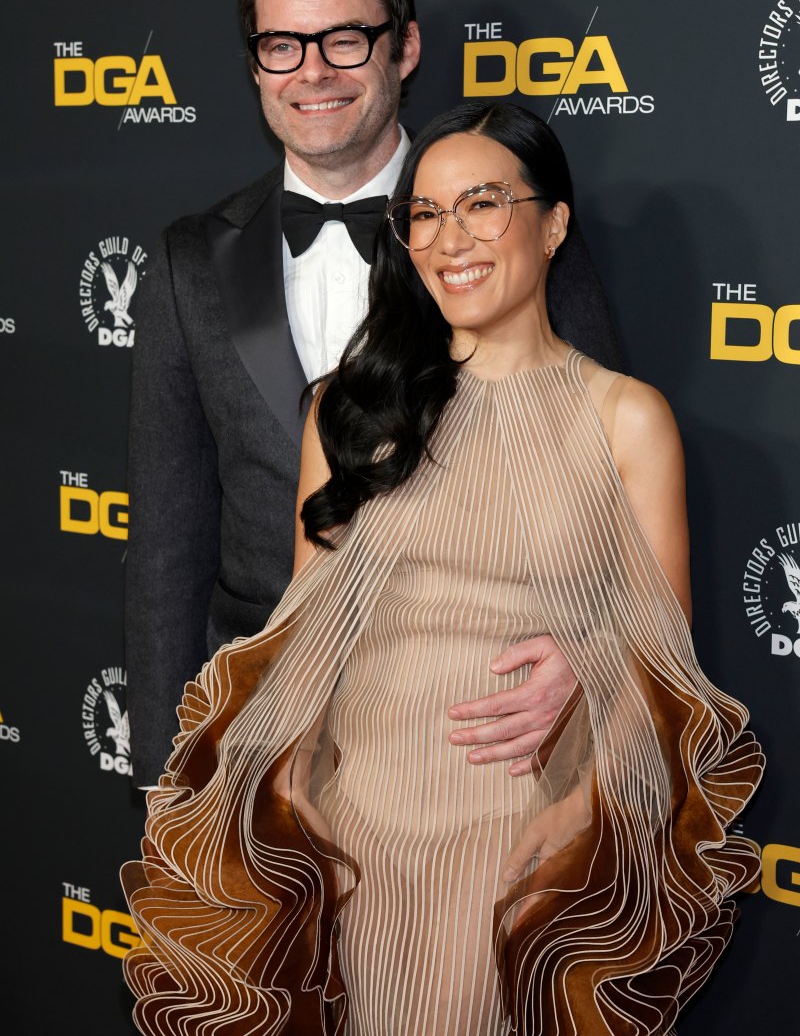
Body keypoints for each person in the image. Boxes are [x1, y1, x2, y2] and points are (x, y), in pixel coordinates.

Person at [122, 102, 762, 1036]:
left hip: (516, 835)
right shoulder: (346, 410)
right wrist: (289, 810)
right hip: (351, 831)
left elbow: (664, 668)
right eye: (423, 213)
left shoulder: (628, 420)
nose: (447, 239)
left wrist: (584, 810)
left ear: (553, 224)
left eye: (483, 204)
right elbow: (300, 644)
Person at [125, 0, 622, 788]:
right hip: (266, 732)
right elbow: (170, 535)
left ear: (405, 47)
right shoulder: (185, 262)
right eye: (281, 42)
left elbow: (606, 473)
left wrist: (586, 648)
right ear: (254, 62)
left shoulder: (514, 226)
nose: (312, 70)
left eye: (345, 38)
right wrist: (169, 776)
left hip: (484, 726)